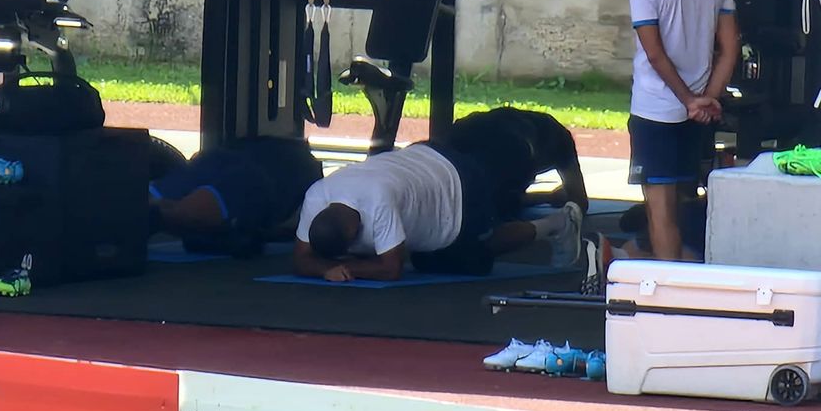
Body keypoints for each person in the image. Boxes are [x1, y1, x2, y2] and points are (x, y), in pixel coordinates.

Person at [626, 0, 739, 261]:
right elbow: (730, 49)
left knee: (661, 214)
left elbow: (654, 52)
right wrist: (707, 98)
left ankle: (667, 302)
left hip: (656, 112)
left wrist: (689, 99)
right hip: (697, 115)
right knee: (684, 206)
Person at [292, 142, 583, 282]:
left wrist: (343, 270)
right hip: (421, 160)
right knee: (427, 261)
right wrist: (326, 268)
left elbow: (391, 269)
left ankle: (558, 222)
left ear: (352, 232)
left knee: (479, 253)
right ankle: (540, 203)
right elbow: (301, 257)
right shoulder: (317, 195)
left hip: (455, 183)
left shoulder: (377, 200)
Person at [150, 136, 323, 258]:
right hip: (271, 174)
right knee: (180, 211)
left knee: (169, 206)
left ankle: (144, 218)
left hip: (239, 160)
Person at [440, 107, 588, 221]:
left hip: (519, 140)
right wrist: (546, 197)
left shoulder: (558, 141)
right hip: (476, 144)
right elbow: (496, 203)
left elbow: (579, 202)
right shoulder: (464, 143)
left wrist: (549, 197)